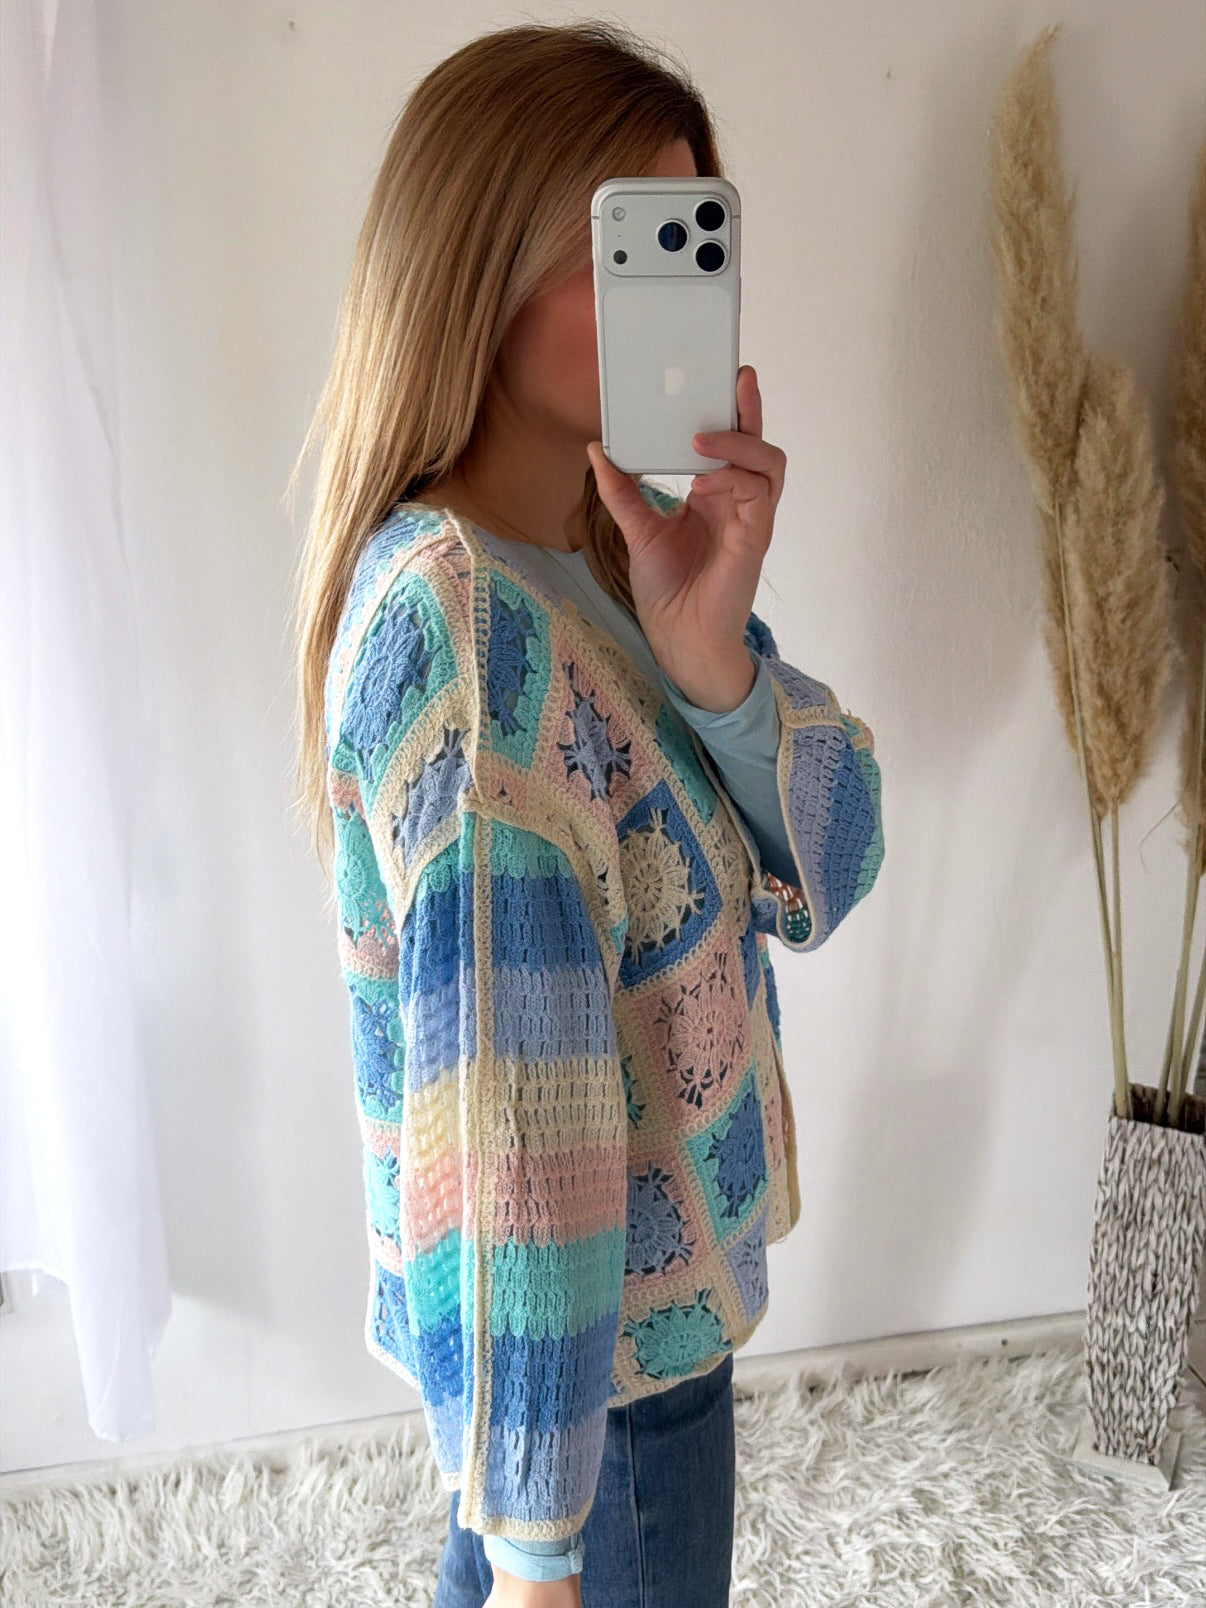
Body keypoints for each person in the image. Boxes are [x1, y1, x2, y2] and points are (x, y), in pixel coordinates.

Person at [289, 21, 884, 1608]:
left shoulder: (611, 560)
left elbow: (833, 857)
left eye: (690, 243)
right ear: (475, 267)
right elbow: (515, 1126)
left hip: (613, 1371)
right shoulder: (469, 637)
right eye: (619, 246)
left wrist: (714, 666)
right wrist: (539, 1552)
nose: (667, 301)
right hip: (594, 1400)